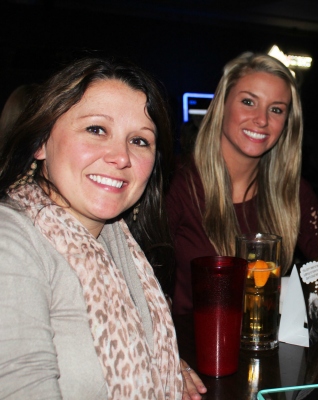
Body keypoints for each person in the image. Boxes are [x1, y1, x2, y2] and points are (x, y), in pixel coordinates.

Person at [0, 56, 205, 399]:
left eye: (139, 140)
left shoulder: (120, 244)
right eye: (96, 130)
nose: (120, 156)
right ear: (41, 143)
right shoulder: (11, 242)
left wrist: (162, 364)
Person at [167, 52, 318, 315]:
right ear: (222, 104)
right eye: (248, 102)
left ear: (287, 123)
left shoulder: (292, 192)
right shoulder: (175, 184)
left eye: (276, 109)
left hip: (264, 338)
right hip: (185, 340)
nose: (262, 119)